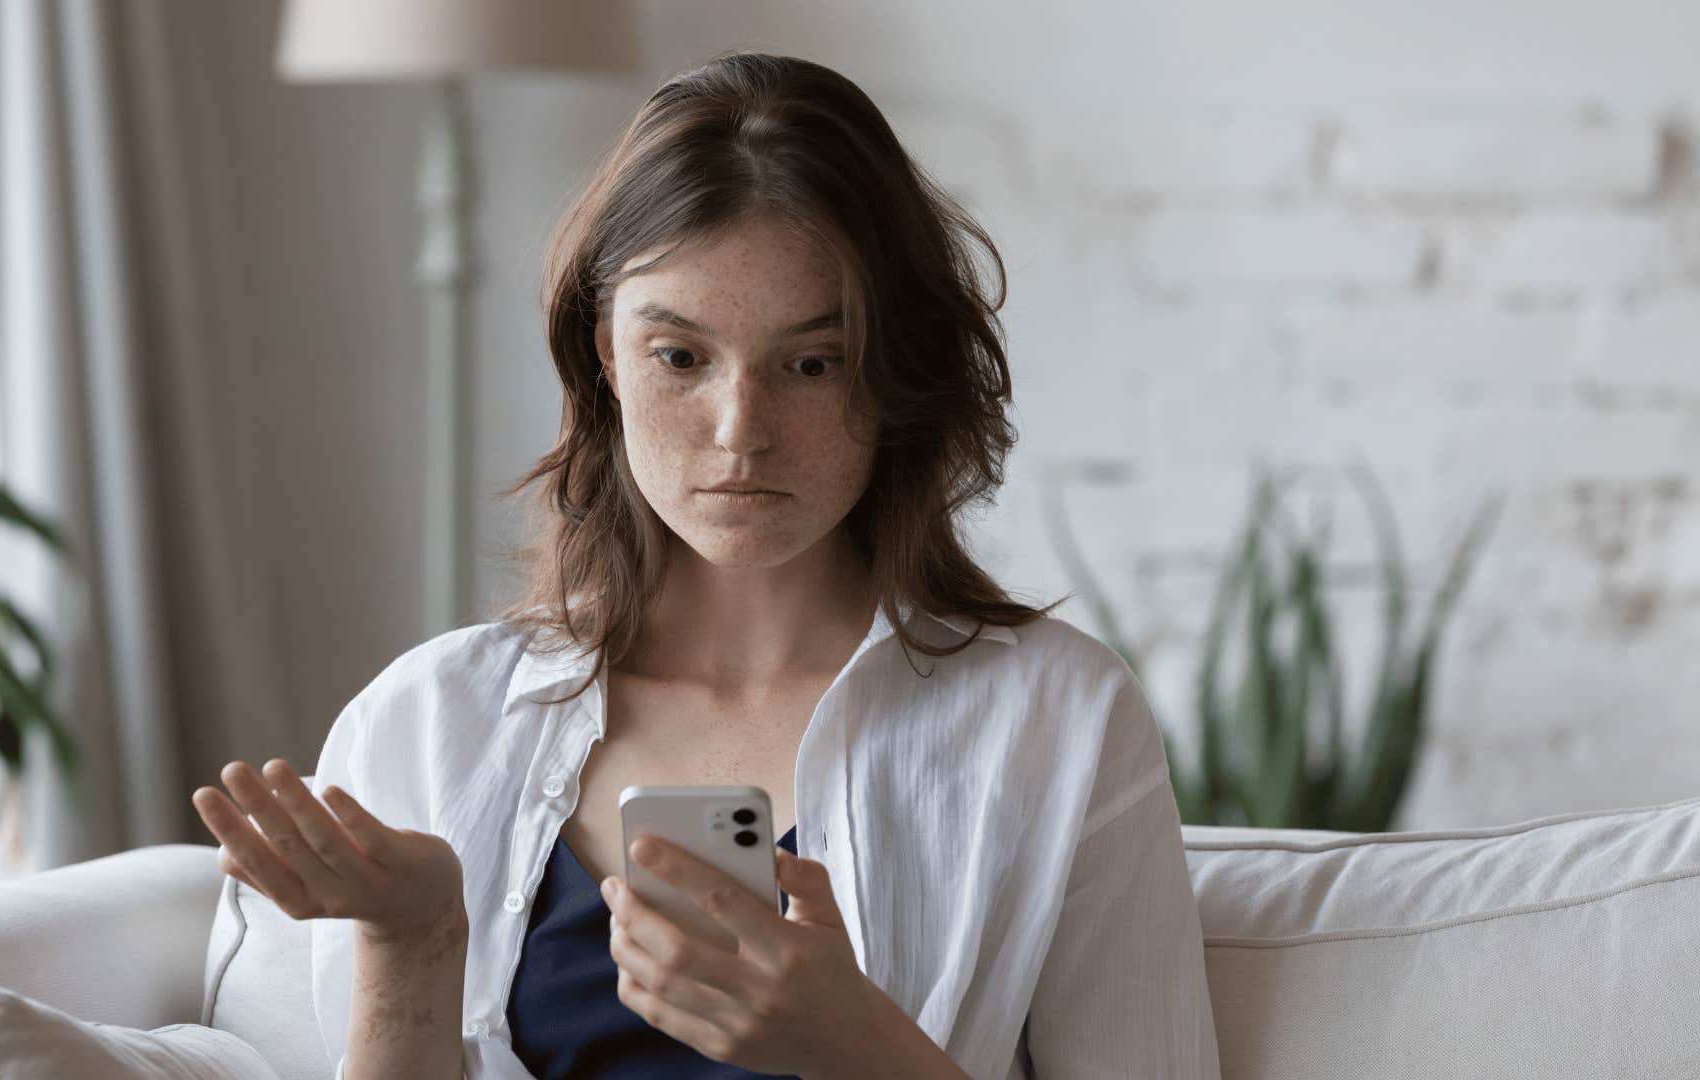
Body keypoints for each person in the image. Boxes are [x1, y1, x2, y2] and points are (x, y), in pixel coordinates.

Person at [192, 50, 1221, 1080]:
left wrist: (862, 1047)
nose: (741, 432)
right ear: (606, 356)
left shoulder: (1058, 723)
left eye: (810, 365)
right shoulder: (425, 724)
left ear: (894, 375)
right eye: (679, 358)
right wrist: (412, 945)